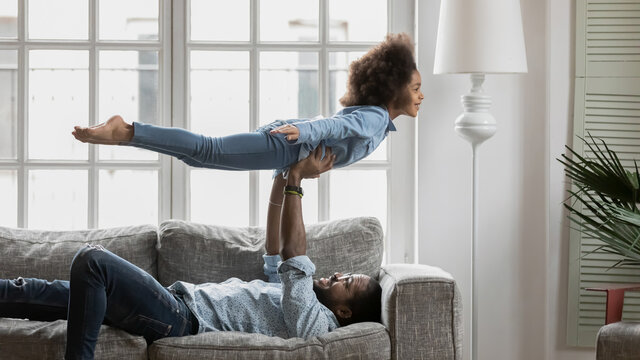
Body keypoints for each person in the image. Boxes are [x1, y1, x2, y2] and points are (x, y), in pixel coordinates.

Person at [0, 147, 383, 360]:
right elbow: (275, 248)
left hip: (182, 319)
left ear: (344, 312)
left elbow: (294, 258)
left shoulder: (315, 323)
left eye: (344, 283)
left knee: (92, 261)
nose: (334, 276)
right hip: (174, 304)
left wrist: (298, 181)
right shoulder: (289, 296)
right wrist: (281, 177)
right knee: (38, 292)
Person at [71, 33, 424, 177]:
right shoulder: (376, 119)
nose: (422, 96)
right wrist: (304, 131)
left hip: (289, 149)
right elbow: (336, 126)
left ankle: (127, 134)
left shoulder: (378, 124)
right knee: (206, 150)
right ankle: (126, 131)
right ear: (393, 89)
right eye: (416, 88)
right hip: (290, 142)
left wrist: (292, 173)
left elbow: (336, 130)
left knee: (200, 156)